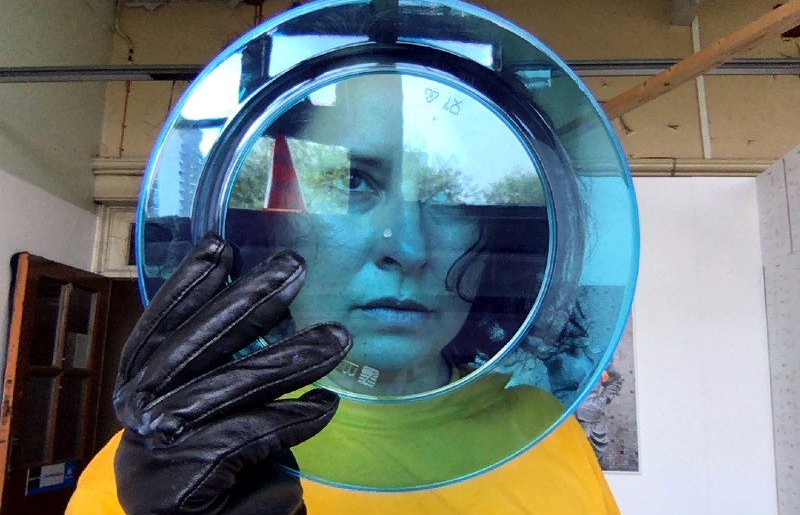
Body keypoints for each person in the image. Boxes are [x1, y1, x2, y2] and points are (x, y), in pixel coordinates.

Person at [67, 73, 620, 514]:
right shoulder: (168, 470)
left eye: (448, 190)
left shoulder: (543, 430)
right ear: (273, 228)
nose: (407, 246)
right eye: (352, 180)